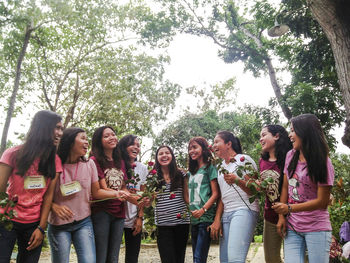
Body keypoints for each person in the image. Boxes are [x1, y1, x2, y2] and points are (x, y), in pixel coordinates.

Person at [48, 127, 128, 263]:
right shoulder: (54, 164)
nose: (87, 142)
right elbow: (43, 195)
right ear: (70, 141)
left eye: (87, 139)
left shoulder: (89, 164)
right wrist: (54, 206)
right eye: (83, 138)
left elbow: (96, 192)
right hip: (59, 225)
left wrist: (117, 193)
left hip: (83, 222)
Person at [0, 110, 63, 263]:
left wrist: (41, 228)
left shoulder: (54, 160)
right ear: (42, 127)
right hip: (7, 221)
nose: (60, 133)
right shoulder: (13, 154)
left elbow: (48, 196)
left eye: (62, 129)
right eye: (57, 128)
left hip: (34, 225)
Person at [273, 114, 334, 263]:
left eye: (293, 130)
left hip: (317, 227)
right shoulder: (290, 155)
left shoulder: (323, 162)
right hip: (293, 226)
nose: (290, 135)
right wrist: (282, 217)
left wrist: (289, 209)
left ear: (305, 132)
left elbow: (322, 201)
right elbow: (286, 187)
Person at [210, 131, 259, 263]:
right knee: (225, 260)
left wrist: (237, 180)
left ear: (228, 144)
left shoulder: (243, 160)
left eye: (216, 141)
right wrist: (217, 219)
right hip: (226, 214)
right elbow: (222, 197)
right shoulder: (220, 167)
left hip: (244, 209)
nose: (213, 145)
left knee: (235, 259)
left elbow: (254, 191)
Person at [90, 126, 134, 263]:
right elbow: (100, 189)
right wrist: (119, 193)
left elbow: (124, 187)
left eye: (113, 134)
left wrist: (139, 198)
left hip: (119, 212)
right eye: (106, 136)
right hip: (101, 212)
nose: (112, 138)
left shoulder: (120, 161)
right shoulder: (94, 160)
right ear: (99, 141)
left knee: (114, 257)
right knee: (101, 256)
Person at [259, 125, 292, 263]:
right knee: (271, 259)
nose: (261, 139)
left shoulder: (290, 158)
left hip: (292, 215)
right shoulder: (262, 161)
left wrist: (283, 216)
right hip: (270, 216)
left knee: (293, 258)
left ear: (276, 136)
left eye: (264, 135)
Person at [153, 145, 190, 263]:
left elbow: (187, 197)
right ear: (157, 158)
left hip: (182, 223)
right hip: (163, 225)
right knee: (167, 259)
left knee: (179, 259)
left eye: (167, 153)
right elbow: (148, 201)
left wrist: (201, 208)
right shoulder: (152, 177)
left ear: (172, 156)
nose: (164, 155)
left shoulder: (182, 174)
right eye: (161, 153)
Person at [187, 136, 219, 263]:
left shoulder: (210, 168)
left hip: (205, 218)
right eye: (189, 148)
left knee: (198, 258)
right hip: (194, 219)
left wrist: (203, 209)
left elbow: (216, 193)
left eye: (195, 147)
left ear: (203, 148)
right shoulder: (190, 173)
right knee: (196, 256)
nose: (191, 151)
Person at [117, 134, 148, 263]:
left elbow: (143, 195)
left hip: (134, 219)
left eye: (138, 145)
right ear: (124, 147)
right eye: (132, 144)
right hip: (116, 217)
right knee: (111, 255)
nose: (136, 147)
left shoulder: (142, 168)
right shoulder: (117, 166)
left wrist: (140, 217)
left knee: (132, 257)